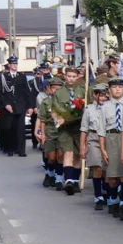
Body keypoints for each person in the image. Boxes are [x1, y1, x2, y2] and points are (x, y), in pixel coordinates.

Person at [99, 78, 123, 220]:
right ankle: (113, 200)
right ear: (109, 90)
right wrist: (102, 148)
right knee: (112, 176)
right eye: (114, 87)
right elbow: (101, 130)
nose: (117, 90)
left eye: (120, 87)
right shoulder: (105, 107)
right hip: (111, 138)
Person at [50, 64, 86, 195]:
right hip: (64, 128)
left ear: (78, 77)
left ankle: (75, 180)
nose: (71, 79)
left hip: (79, 126)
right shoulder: (59, 92)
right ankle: (69, 180)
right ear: (65, 77)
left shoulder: (83, 90)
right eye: (69, 76)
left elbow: (86, 108)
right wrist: (58, 118)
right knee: (68, 152)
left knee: (78, 154)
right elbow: (54, 109)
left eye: (73, 77)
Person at [0, 56, 34, 157]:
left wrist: (30, 106)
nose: (15, 66)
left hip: (20, 106)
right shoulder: (3, 77)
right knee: (9, 129)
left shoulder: (22, 77)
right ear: (9, 65)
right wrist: (5, 104)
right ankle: (10, 149)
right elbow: (0, 93)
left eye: (16, 64)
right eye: (13, 64)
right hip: (8, 108)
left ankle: (21, 150)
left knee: (21, 130)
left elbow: (27, 92)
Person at [80, 84, 108, 210]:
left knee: (106, 169)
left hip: (109, 139)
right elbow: (84, 129)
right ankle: (98, 196)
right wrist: (82, 146)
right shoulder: (89, 109)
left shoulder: (111, 107)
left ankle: (107, 192)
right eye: (100, 95)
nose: (103, 98)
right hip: (94, 139)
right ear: (94, 95)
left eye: (105, 95)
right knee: (97, 167)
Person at [37, 77, 63, 189]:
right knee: (51, 157)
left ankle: (58, 179)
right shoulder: (46, 102)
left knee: (60, 156)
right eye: (54, 88)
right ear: (49, 89)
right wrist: (42, 134)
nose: (56, 90)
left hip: (62, 131)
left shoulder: (64, 102)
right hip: (50, 130)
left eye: (58, 88)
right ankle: (50, 173)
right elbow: (42, 119)